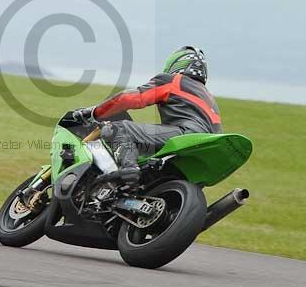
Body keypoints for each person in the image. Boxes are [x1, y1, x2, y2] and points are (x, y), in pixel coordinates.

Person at [71, 46, 222, 187]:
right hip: (206, 149)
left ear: (176, 63)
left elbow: (129, 99)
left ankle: (129, 171)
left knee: (115, 128)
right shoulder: (209, 97)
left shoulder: (174, 80)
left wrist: (93, 112)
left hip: (185, 135)